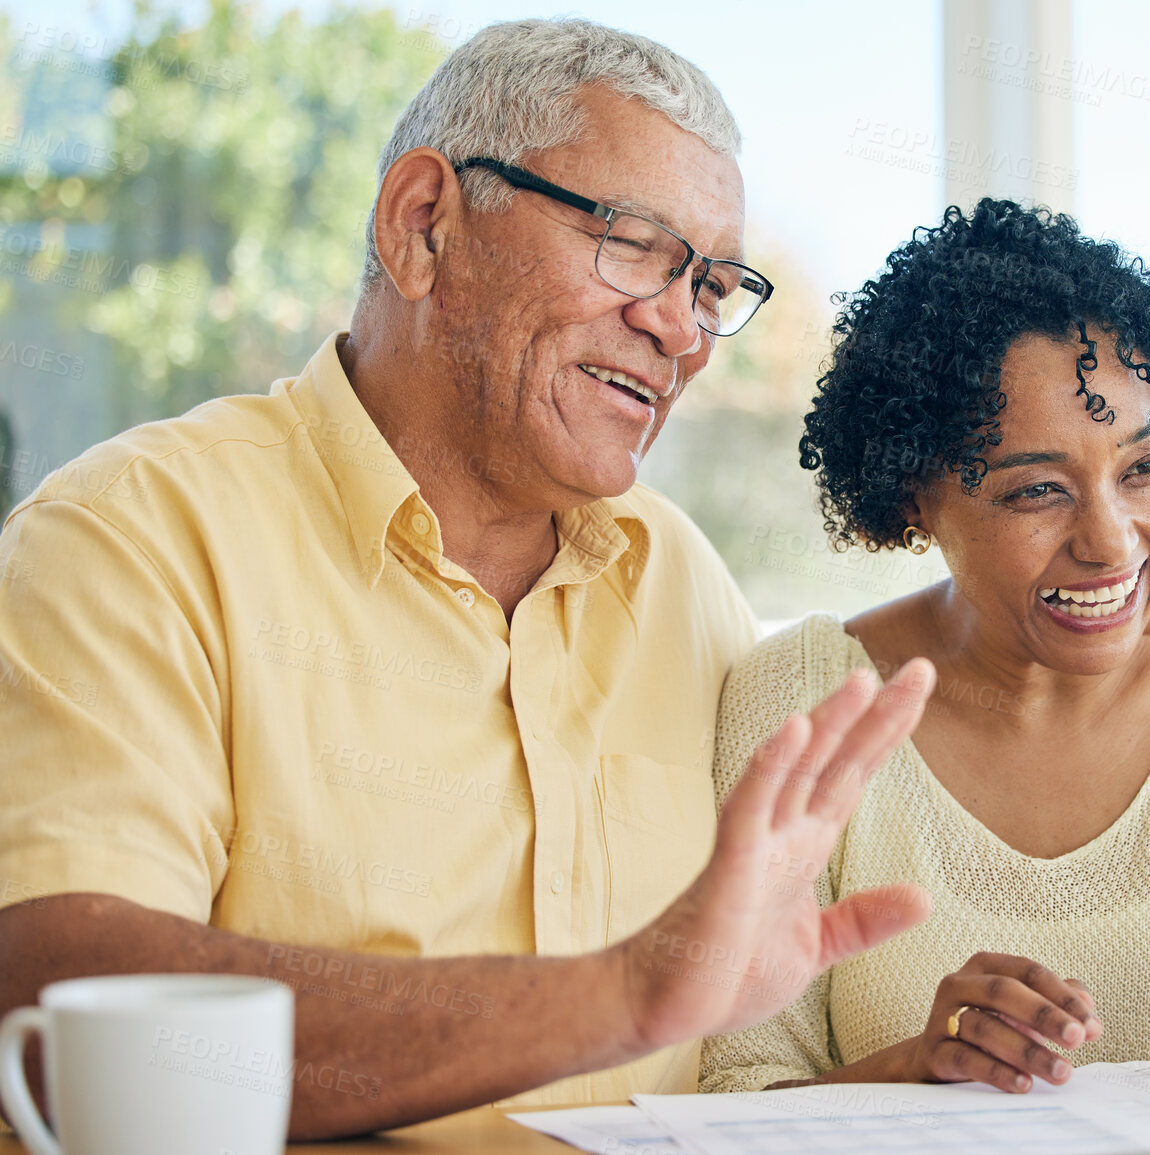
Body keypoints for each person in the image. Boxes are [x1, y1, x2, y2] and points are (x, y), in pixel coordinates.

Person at [0, 19, 936, 1138]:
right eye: (635, 245)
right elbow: (61, 1008)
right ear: (424, 224)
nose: (681, 328)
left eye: (713, 284)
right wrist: (624, 994)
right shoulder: (133, 537)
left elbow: (705, 1043)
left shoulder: (679, 577)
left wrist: (890, 1086)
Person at [701, 199, 1150, 1096]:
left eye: (1143, 468)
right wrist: (911, 1069)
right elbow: (735, 1088)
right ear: (911, 496)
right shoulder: (805, 699)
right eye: (1036, 490)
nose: (1112, 542)